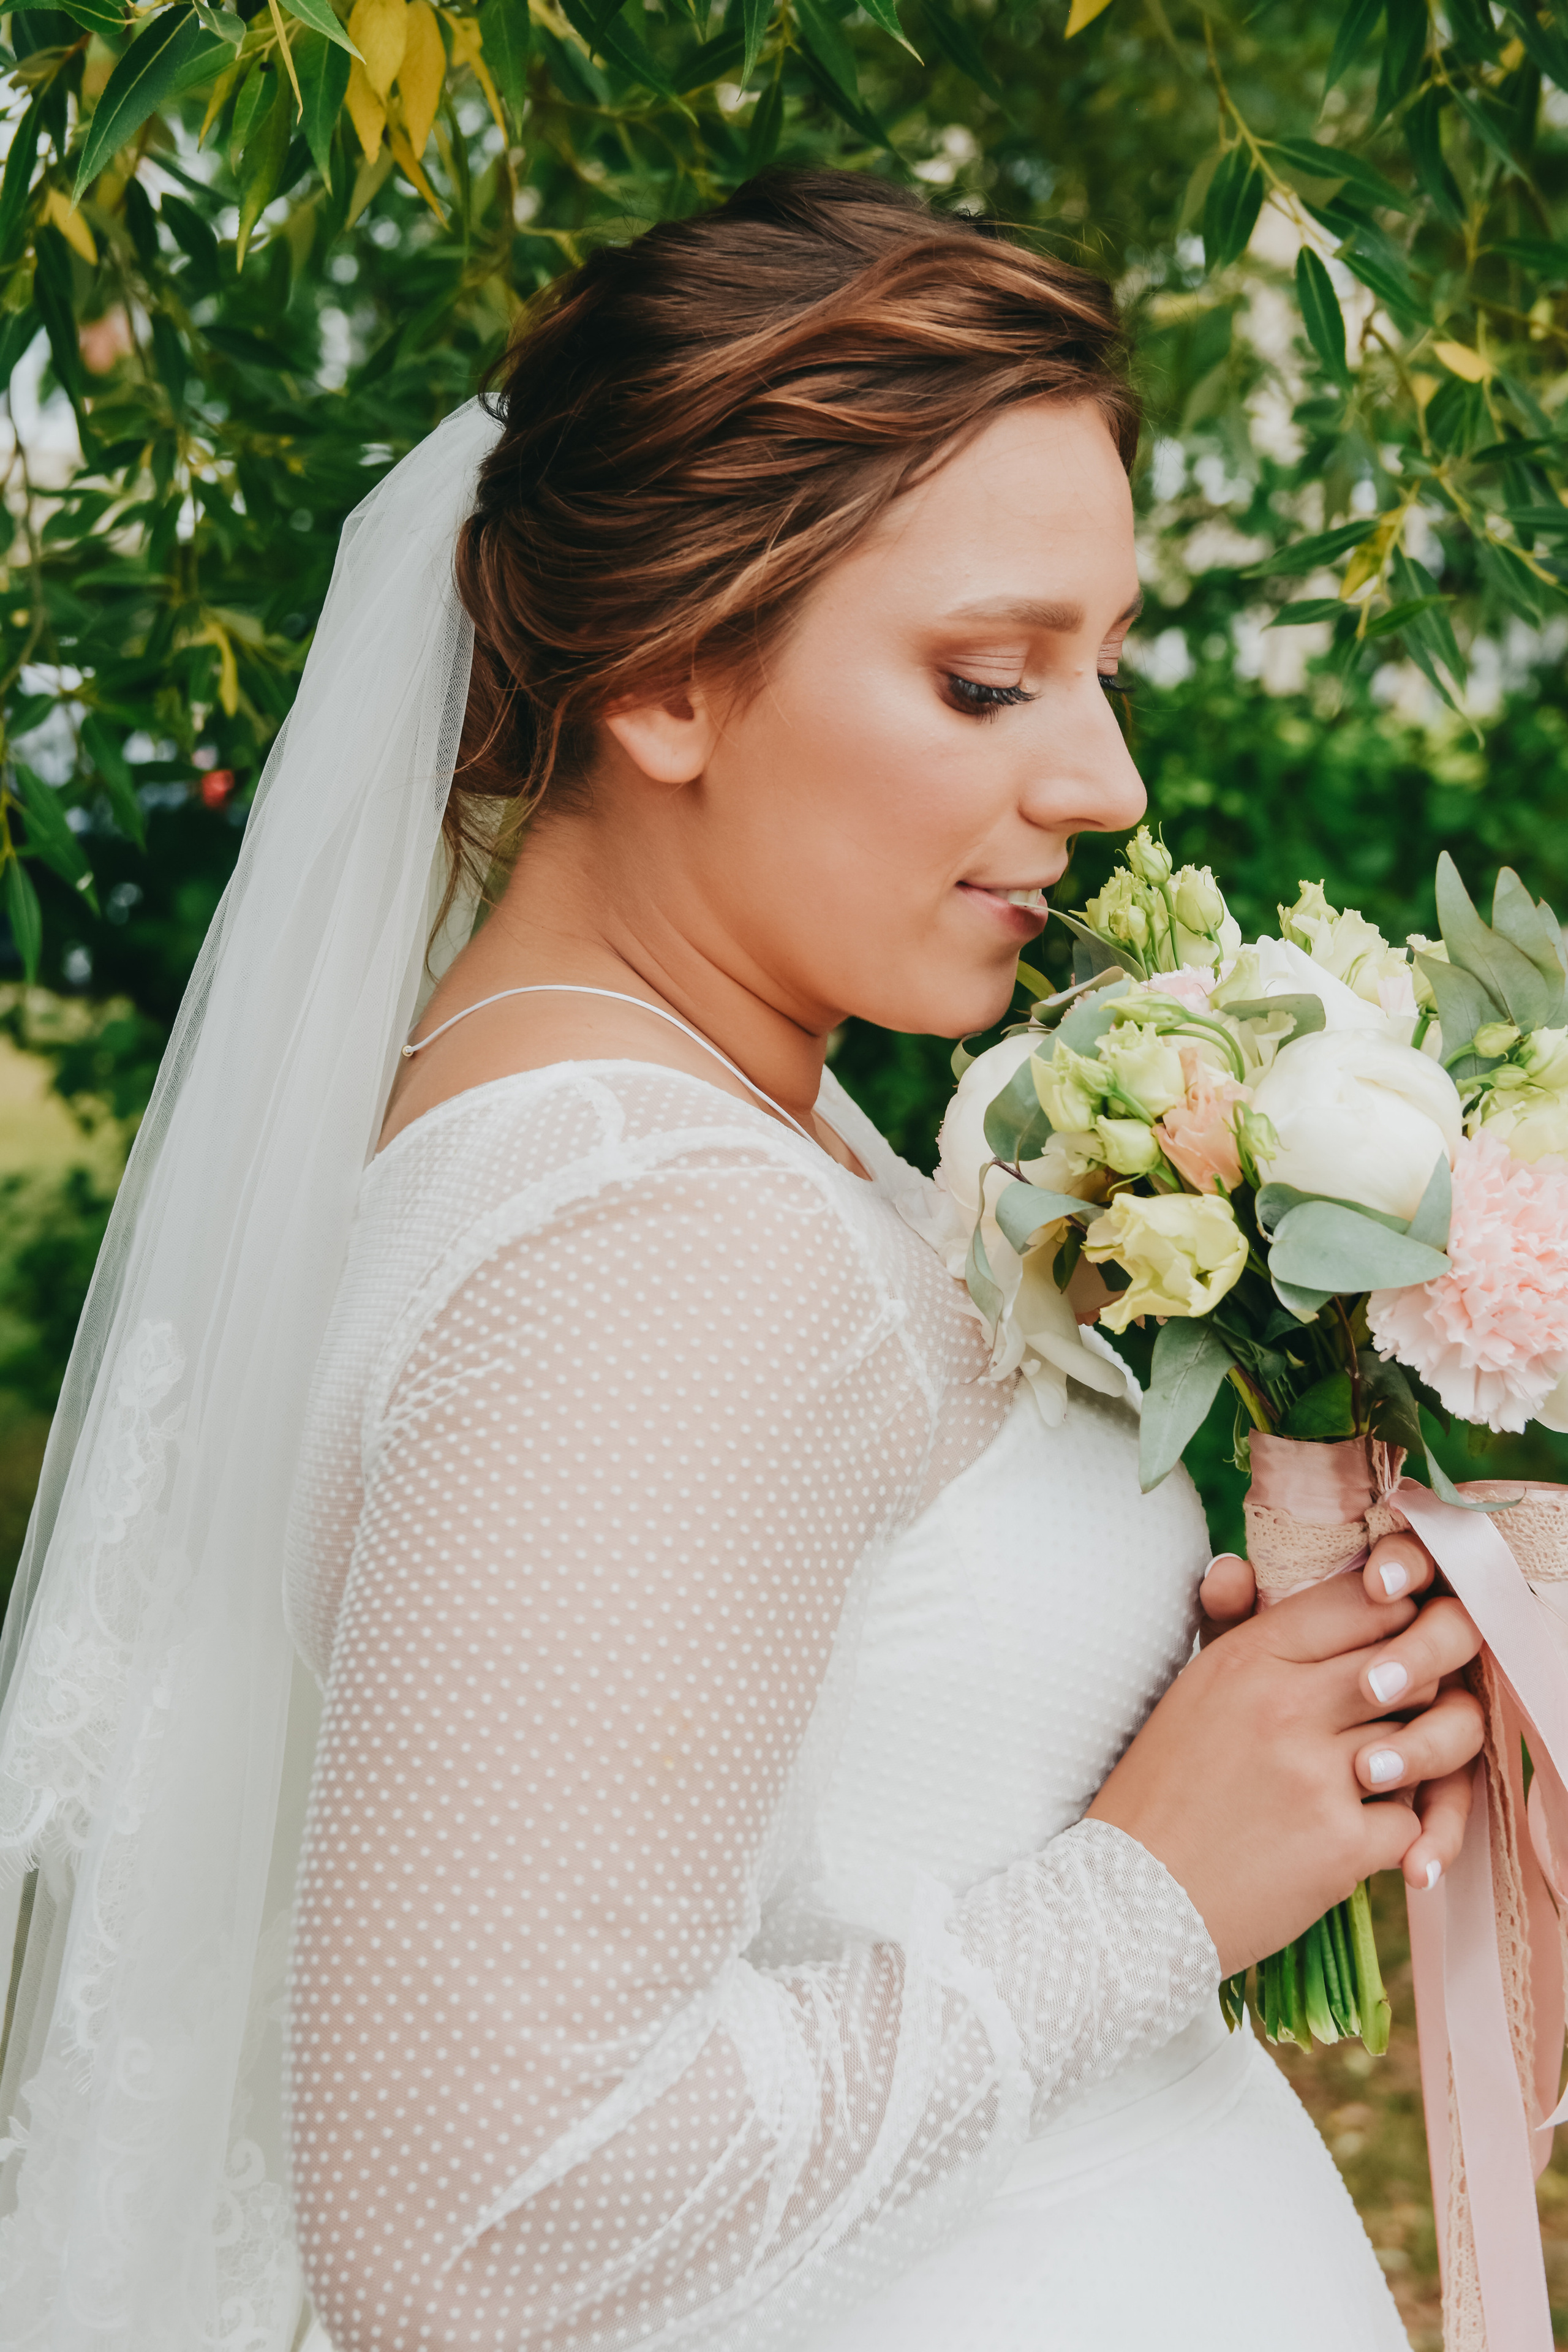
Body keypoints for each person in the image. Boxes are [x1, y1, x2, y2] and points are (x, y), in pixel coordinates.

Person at [0, 170, 1480, 2351]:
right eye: (990, 680)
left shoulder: (697, 1114)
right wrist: (1154, 1889)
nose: (1107, 775)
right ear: (669, 675)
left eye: (1102, 667)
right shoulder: (652, 1239)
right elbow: (473, 2225)